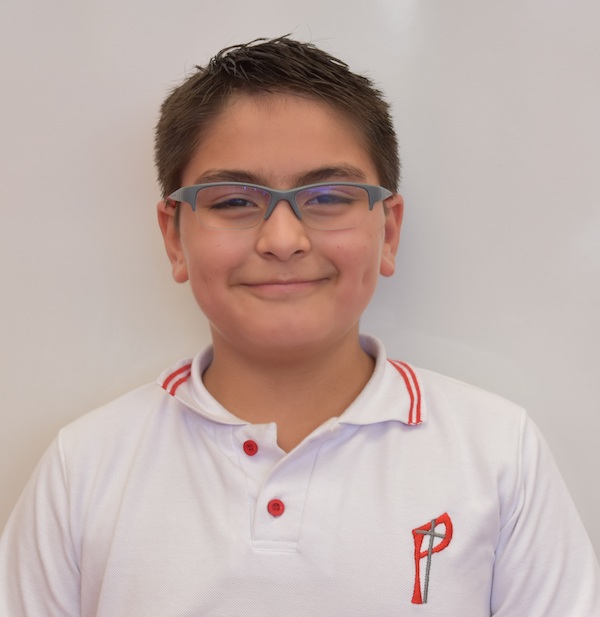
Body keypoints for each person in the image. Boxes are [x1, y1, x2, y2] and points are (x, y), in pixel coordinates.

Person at [0, 36, 598, 616]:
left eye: (329, 196)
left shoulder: (497, 453)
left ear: (388, 232)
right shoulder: (85, 468)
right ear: (174, 237)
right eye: (234, 201)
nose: (283, 240)